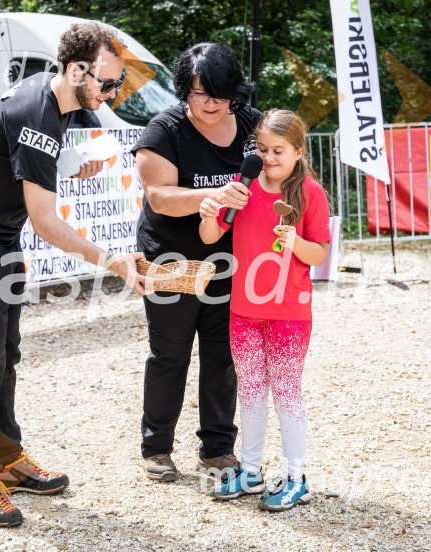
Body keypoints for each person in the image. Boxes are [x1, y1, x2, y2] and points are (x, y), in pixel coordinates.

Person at [0, 22, 148, 527]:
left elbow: (23, 159)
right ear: (76, 71)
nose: (112, 92)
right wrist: (112, 261)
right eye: (108, 82)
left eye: (117, 83)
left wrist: (68, 165)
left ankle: (7, 460)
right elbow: (46, 222)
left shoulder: (58, 100)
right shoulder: (37, 113)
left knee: (5, 354)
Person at [131, 42, 260, 481]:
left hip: (230, 260)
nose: (209, 103)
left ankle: (218, 448)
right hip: (172, 261)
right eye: (198, 93)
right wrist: (216, 194)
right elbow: (160, 197)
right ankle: (157, 448)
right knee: (169, 354)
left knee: (223, 357)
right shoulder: (163, 131)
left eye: (219, 94)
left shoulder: (250, 122)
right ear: (184, 90)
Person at [198, 109, 331, 511]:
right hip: (244, 311)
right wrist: (209, 212)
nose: (269, 158)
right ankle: (252, 470)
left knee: (287, 393)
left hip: (289, 314)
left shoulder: (310, 193)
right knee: (251, 392)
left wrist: (294, 241)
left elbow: (320, 254)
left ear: (298, 151)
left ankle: (296, 477)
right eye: (263, 149)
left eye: (278, 150)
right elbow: (210, 235)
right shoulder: (242, 188)